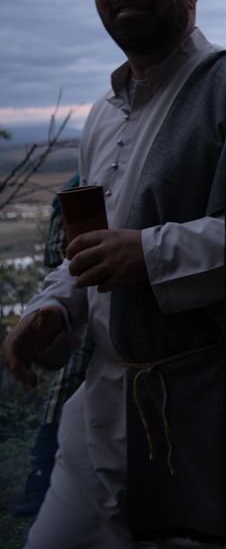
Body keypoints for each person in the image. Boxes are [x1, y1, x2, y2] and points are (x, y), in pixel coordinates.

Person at [1, 0, 226, 546]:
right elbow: (88, 250)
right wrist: (53, 309)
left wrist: (149, 254)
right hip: (99, 408)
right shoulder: (103, 114)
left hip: (204, 412)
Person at [12, 172, 93, 519]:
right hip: (87, 299)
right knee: (66, 387)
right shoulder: (79, 183)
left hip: (100, 299)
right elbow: (60, 257)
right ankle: (41, 477)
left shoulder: (83, 179)